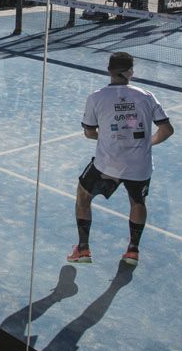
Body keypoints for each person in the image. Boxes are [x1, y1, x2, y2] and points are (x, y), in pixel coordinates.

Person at [67, 51, 172, 267]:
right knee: (138, 201)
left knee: (83, 195)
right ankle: (133, 251)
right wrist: (147, 143)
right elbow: (167, 129)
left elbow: (89, 132)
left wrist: (107, 136)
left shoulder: (96, 97)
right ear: (131, 72)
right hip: (140, 166)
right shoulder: (146, 96)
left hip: (107, 164)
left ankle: (83, 248)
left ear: (109, 71)